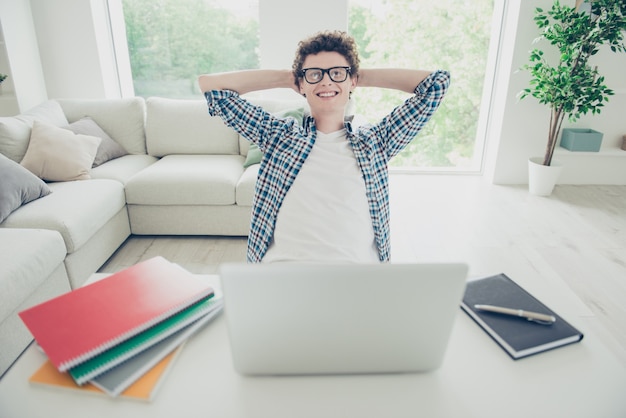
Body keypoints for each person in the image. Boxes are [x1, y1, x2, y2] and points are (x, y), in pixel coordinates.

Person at [198, 30, 450, 263]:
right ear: (300, 84)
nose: (326, 82)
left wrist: (356, 75)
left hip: (356, 278)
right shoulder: (279, 137)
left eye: (337, 73)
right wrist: (289, 78)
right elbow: (211, 87)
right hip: (282, 275)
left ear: (353, 81)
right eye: (315, 74)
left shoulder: (375, 142)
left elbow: (435, 85)